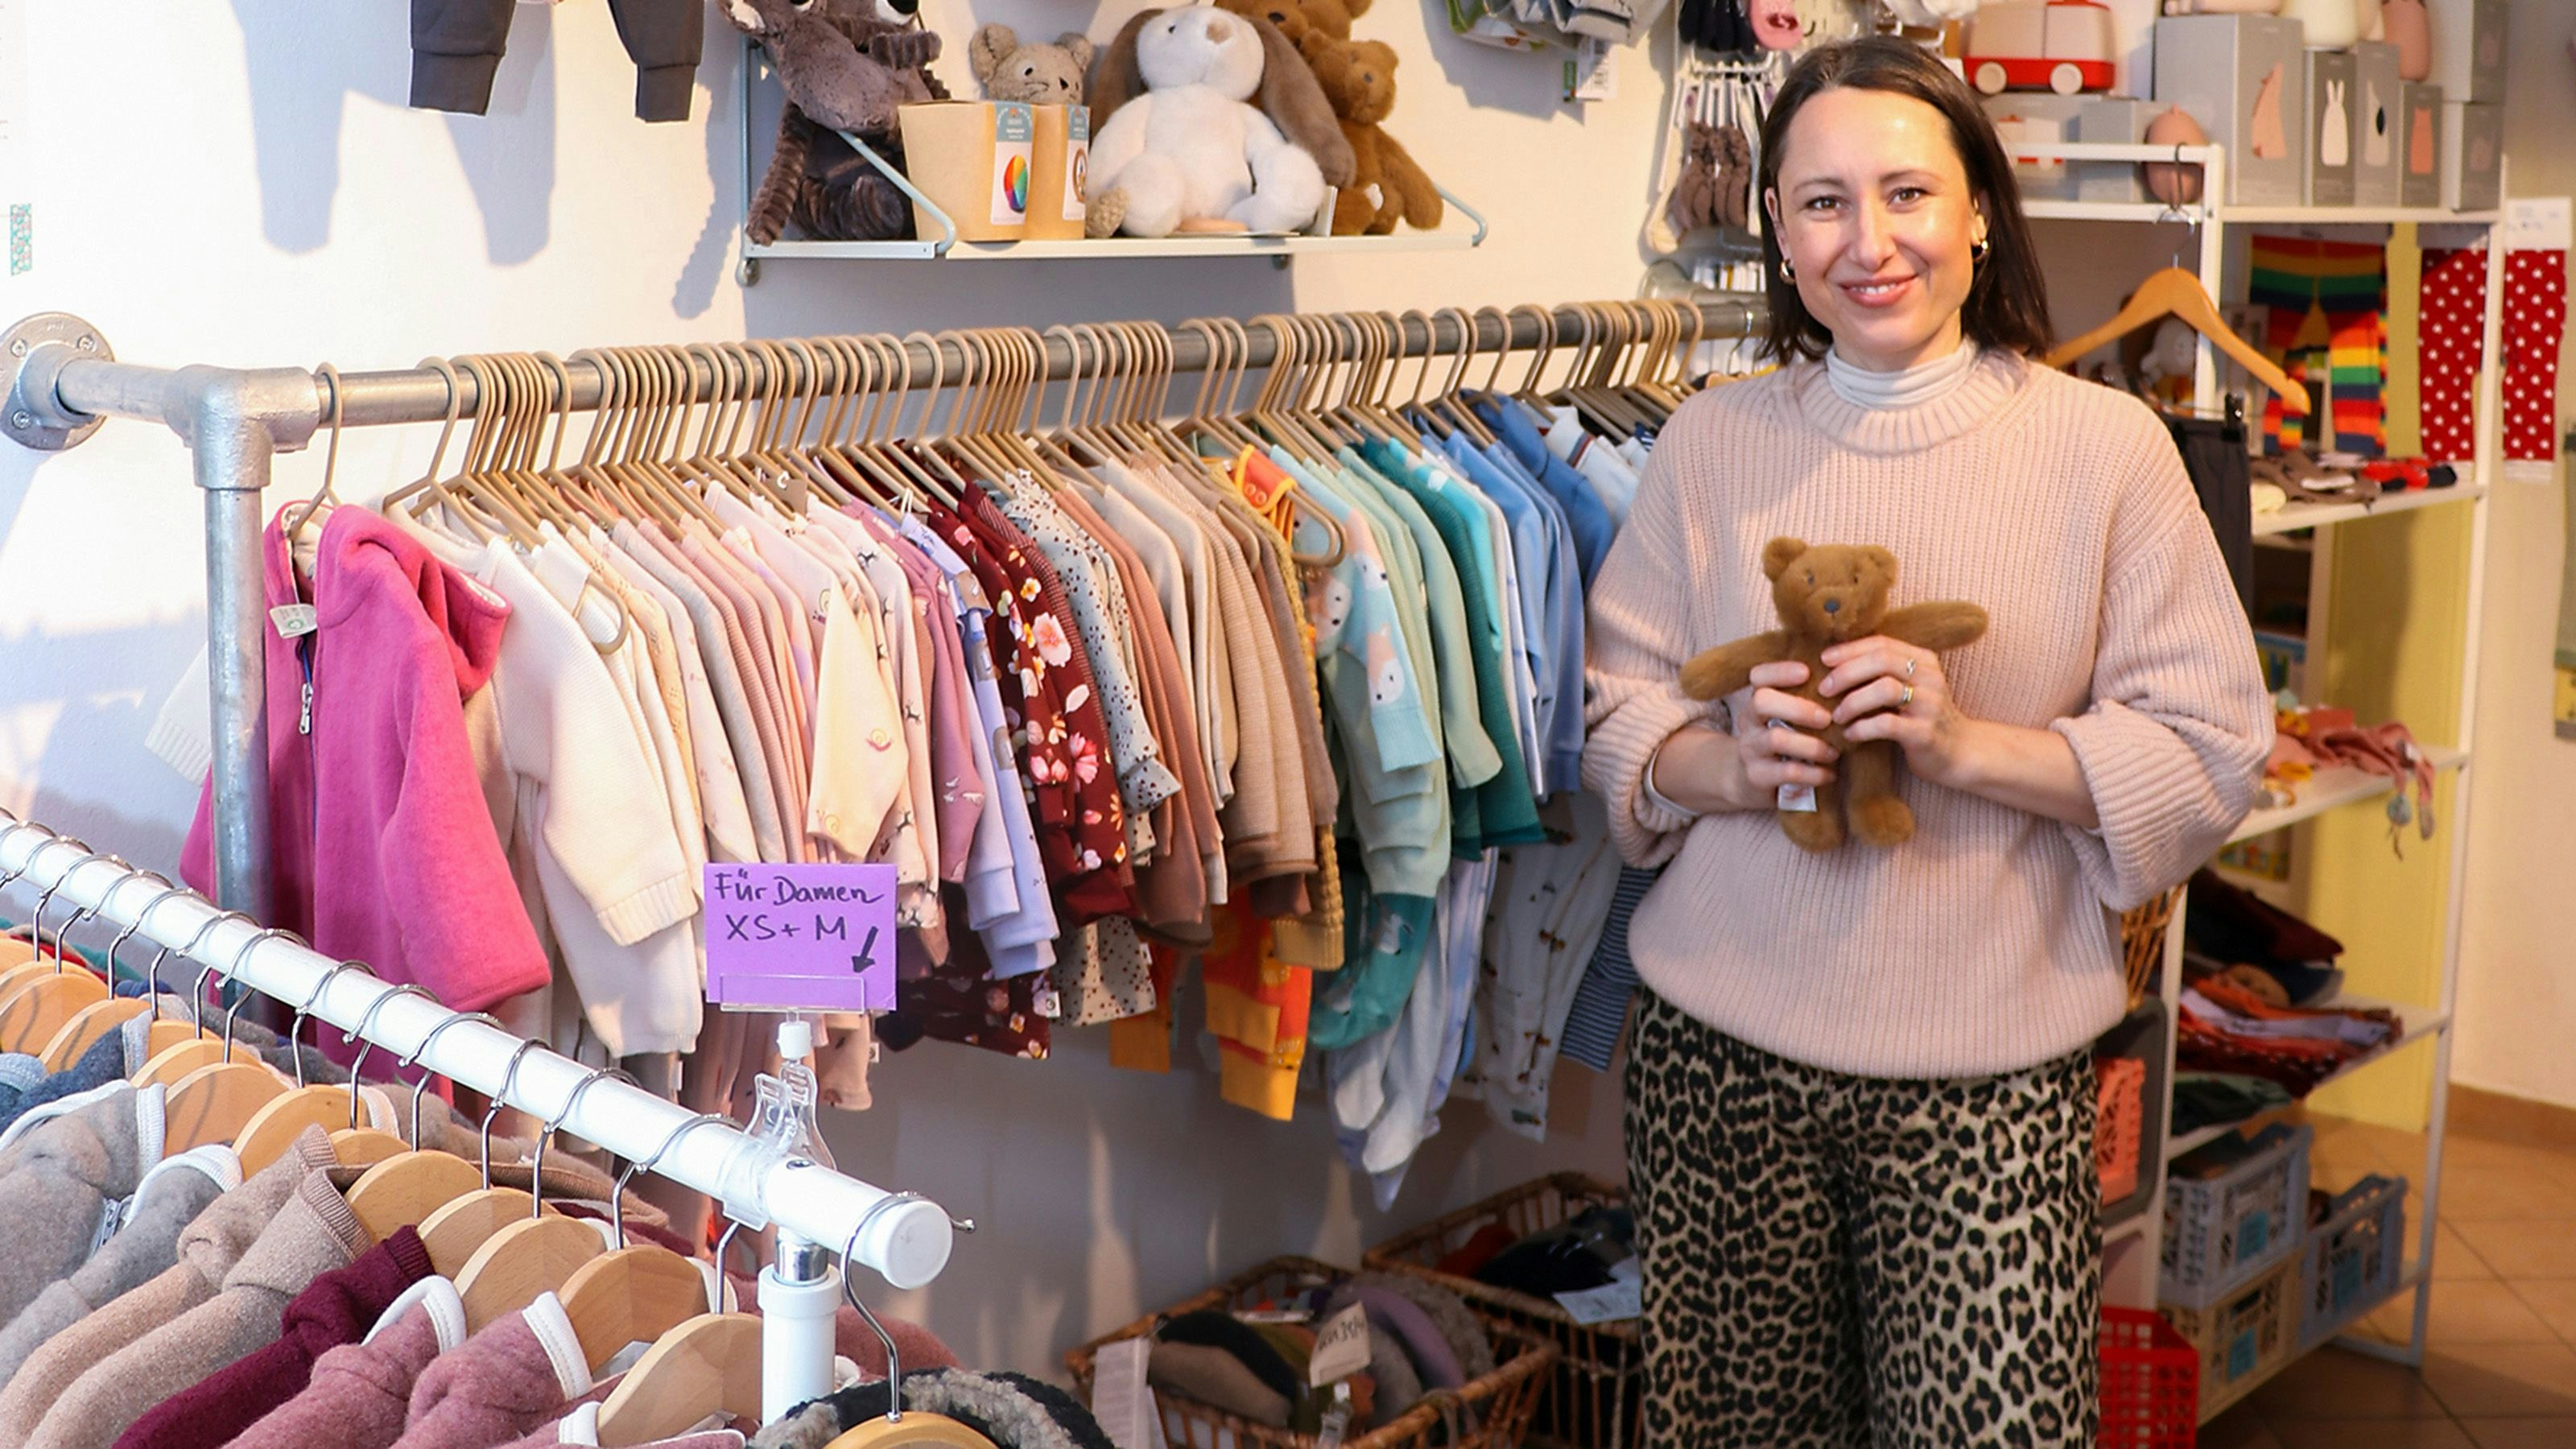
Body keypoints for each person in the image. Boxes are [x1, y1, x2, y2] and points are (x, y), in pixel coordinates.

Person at [1581, 37, 2272, 1447]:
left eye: (1906, 192)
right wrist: (1726, 762)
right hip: (1718, 1061)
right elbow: (1616, 703)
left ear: (1976, 211)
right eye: (1822, 201)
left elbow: (2212, 747)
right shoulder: (1712, 442)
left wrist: (1964, 749)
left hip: (1990, 1075)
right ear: (1777, 226)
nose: (1868, 240)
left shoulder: (2106, 449)